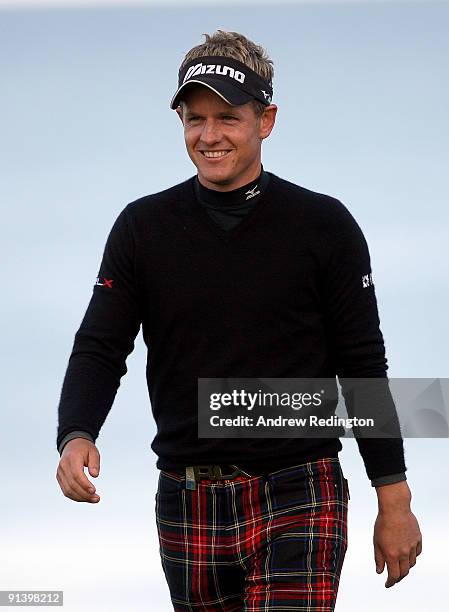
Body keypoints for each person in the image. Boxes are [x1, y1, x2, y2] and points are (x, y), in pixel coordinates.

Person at [56, 30, 422, 611]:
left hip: (299, 486)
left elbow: (362, 369)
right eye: (194, 118)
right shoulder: (141, 229)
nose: (209, 135)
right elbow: (100, 346)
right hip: (186, 494)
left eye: (228, 117)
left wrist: (394, 498)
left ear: (266, 120)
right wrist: (76, 432)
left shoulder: (324, 226)